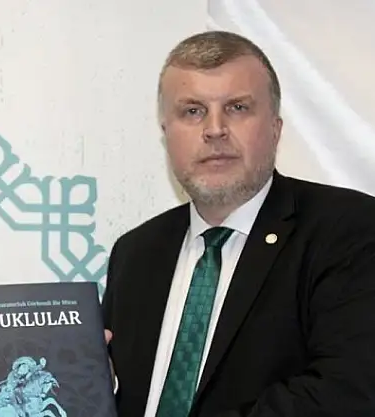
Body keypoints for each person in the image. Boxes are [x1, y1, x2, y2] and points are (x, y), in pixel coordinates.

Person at [101, 30, 375, 416]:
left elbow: (347, 391)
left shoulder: (350, 229)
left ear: (276, 129)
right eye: (193, 111)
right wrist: (90, 388)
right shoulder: (135, 252)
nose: (215, 129)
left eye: (237, 108)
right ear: (166, 134)